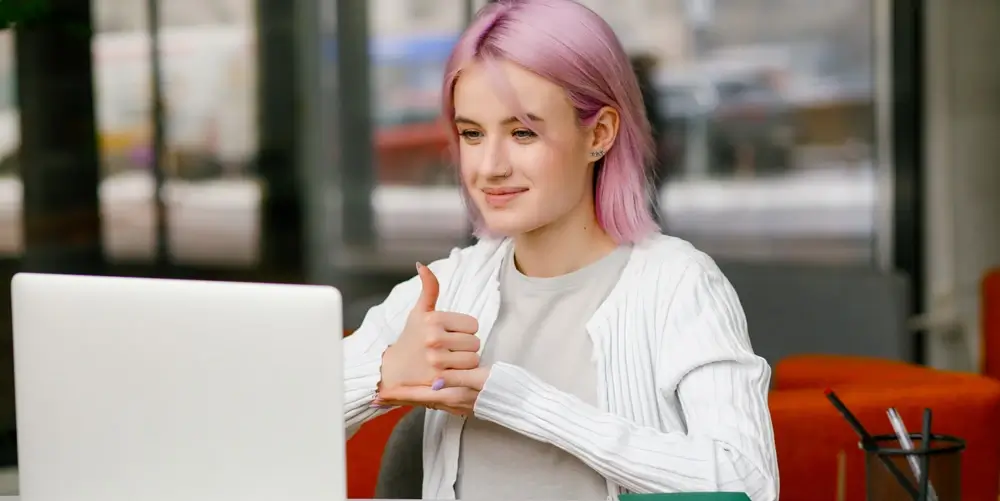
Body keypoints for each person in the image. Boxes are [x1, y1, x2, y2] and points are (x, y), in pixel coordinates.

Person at [343, 1, 778, 500]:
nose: (490, 167)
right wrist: (381, 378)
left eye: (523, 132)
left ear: (599, 133)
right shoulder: (448, 288)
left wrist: (519, 401)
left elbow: (749, 481)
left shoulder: (677, 284)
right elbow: (264, 420)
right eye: (472, 134)